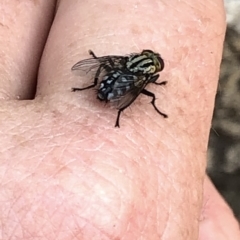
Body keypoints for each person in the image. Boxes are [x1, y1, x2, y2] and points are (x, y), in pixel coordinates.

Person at [0, 1, 239, 239]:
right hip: (118, 87)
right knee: (148, 94)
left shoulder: (124, 60)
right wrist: (121, 107)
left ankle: (94, 89)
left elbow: (105, 64)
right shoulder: (146, 78)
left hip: (112, 78)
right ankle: (109, 105)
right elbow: (136, 89)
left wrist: (97, 79)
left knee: (107, 67)